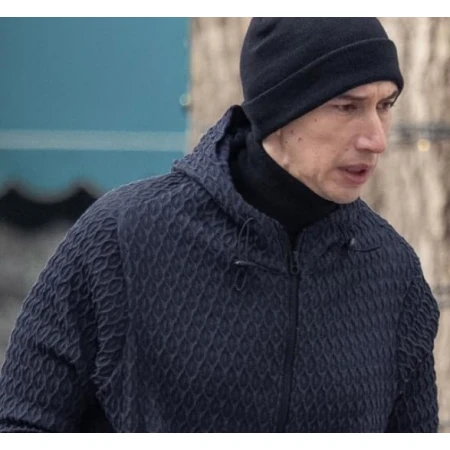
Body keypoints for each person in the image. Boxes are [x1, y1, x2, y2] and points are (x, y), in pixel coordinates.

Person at [0, 17, 440, 433]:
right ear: (279, 109)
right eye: (347, 106)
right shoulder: (122, 238)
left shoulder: (393, 273)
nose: (376, 139)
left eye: (385, 106)